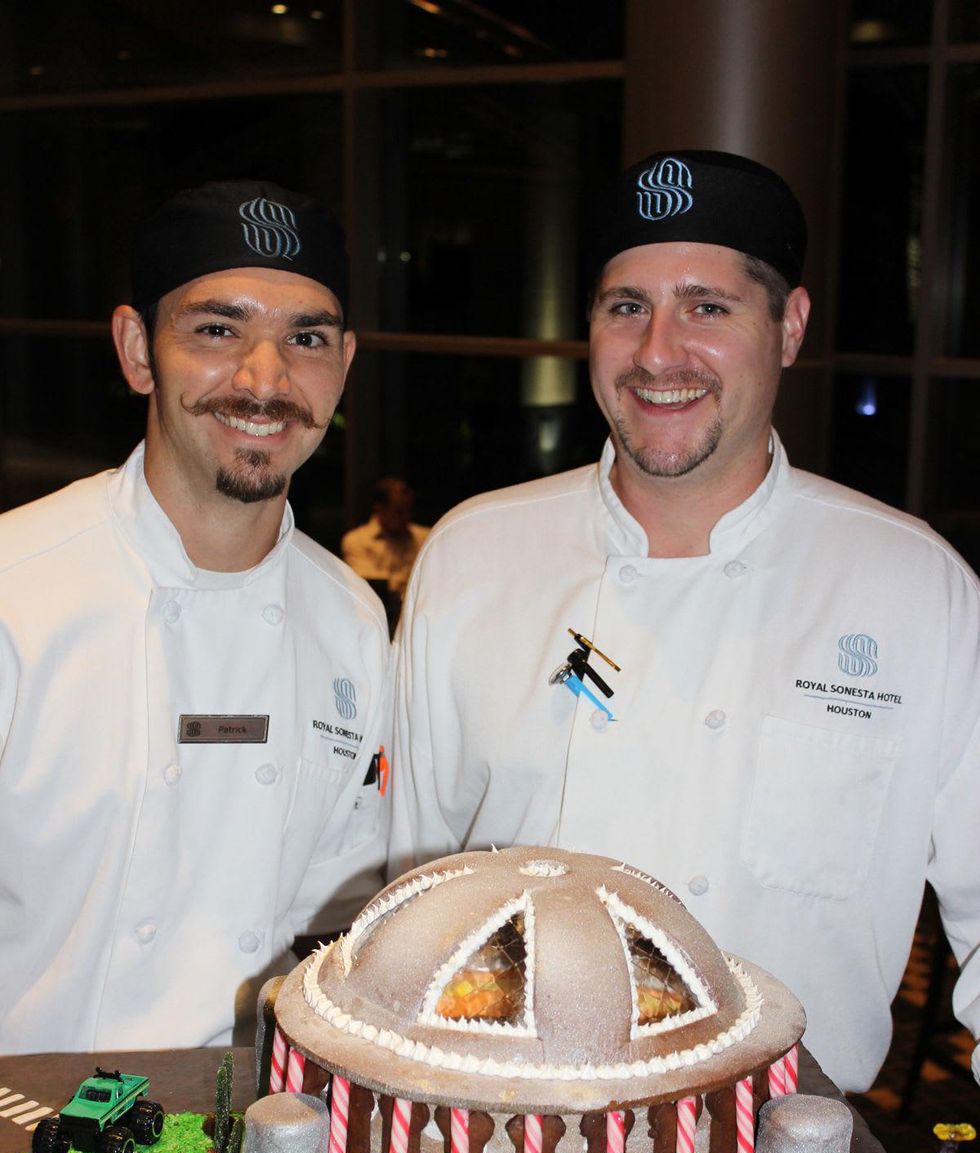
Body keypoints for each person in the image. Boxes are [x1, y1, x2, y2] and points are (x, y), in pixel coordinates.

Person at [390, 149, 980, 1094]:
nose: (659, 352)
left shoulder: (915, 589)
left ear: (788, 327)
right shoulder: (473, 555)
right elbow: (405, 887)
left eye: (708, 306)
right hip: (502, 1136)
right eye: (627, 306)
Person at [0, 180, 391, 1053]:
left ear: (344, 365)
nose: (266, 378)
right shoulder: (15, 592)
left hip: (244, 1132)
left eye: (307, 338)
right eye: (217, 330)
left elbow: (330, 929)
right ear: (139, 350)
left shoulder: (352, 623)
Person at [342, 476, 429, 631]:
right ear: (379, 509)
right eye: (399, 512)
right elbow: (371, 586)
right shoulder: (356, 541)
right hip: (374, 621)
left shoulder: (423, 537)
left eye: (409, 511)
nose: (406, 518)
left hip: (420, 617)